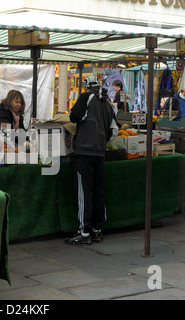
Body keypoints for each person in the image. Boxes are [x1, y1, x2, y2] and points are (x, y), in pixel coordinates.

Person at [65, 75, 118, 245]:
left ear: (86, 87)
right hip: (100, 153)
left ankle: (84, 232)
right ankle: (97, 229)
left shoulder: (85, 97)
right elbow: (114, 130)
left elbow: (74, 117)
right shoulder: (107, 102)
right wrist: (102, 143)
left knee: (84, 192)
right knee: (98, 190)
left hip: (84, 152)